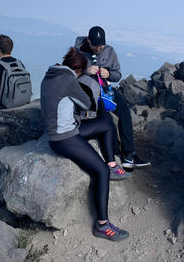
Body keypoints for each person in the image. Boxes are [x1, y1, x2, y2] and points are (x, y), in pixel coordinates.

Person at [40, 47, 130, 241]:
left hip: (68, 128)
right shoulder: (69, 80)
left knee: (106, 124)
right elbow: (88, 104)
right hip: (63, 138)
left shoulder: (51, 74)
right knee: (100, 172)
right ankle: (103, 226)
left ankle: (112, 164)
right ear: (79, 71)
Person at [75, 26, 151, 171]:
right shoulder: (77, 52)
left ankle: (130, 155)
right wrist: (85, 71)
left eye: (101, 45)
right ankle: (116, 155)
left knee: (124, 112)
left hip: (106, 90)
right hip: (89, 92)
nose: (99, 48)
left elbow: (118, 75)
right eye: (95, 45)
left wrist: (109, 74)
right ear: (88, 40)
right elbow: (70, 73)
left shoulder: (109, 51)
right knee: (106, 119)